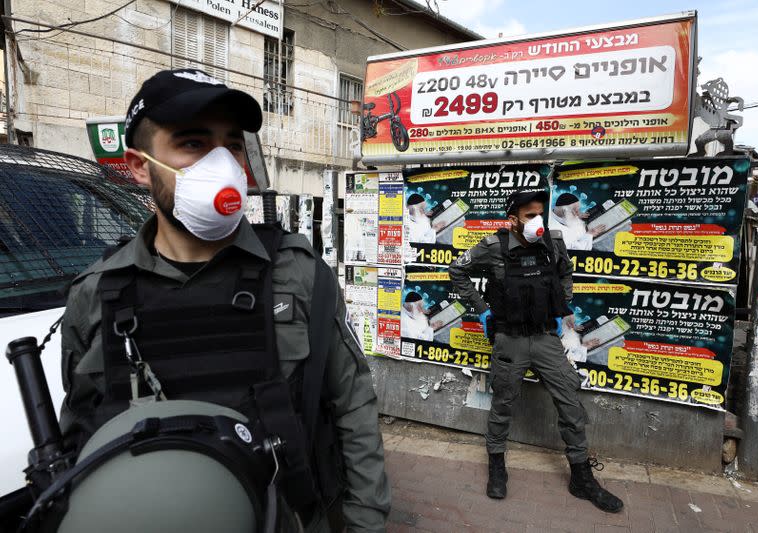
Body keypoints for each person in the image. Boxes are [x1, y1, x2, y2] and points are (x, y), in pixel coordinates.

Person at [58, 69, 390, 532]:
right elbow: (80, 435)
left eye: (232, 145)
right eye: (193, 144)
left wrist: (366, 524)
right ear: (138, 166)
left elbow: (352, 407)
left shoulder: (298, 273)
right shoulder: (96, 294)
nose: (223, 165)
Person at [448, 189, 623, 513]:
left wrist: (562, 307)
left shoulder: (553, 242)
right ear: (512, 219)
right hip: (510, 341)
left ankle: (581, 477)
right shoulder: (493, 246)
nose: (536, 221)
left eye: (539, 214)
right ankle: (497, 465)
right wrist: (482, 309)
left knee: (570, 401)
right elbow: (457, 270)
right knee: (502, 404)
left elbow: (565, 272)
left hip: (545, 340)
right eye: (530, 216)